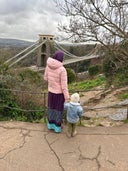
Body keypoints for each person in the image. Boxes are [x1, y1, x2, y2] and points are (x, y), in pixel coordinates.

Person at [44, 50, 69, 133]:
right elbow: (64, 86)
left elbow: (45, 78)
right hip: (59, 94)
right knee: (58, 110)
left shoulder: (48, 66)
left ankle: (50, 125)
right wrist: (67, 97)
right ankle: (57, 127)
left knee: (51, 108)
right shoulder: (62, 69)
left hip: (51, 92)